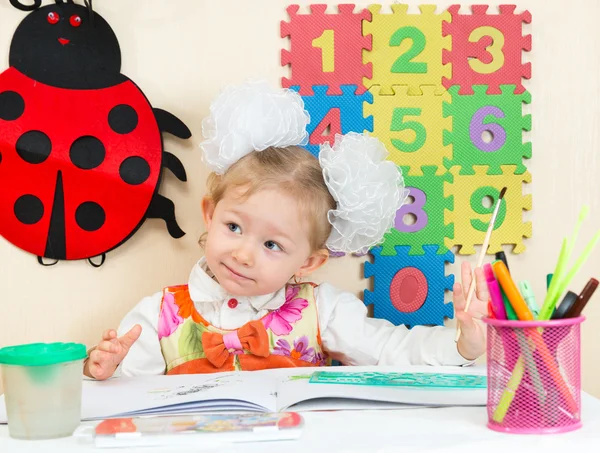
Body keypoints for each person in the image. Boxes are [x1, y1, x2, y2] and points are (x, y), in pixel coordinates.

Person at [83, 81, 488, 380]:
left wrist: (463, 345)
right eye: (234, 226)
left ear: (310, 261)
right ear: (210, 214)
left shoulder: (323, 310)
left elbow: (389, 350)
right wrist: (104, 370)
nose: (243, 253)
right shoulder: (157, 315)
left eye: (273, 244)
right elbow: (125, 402)